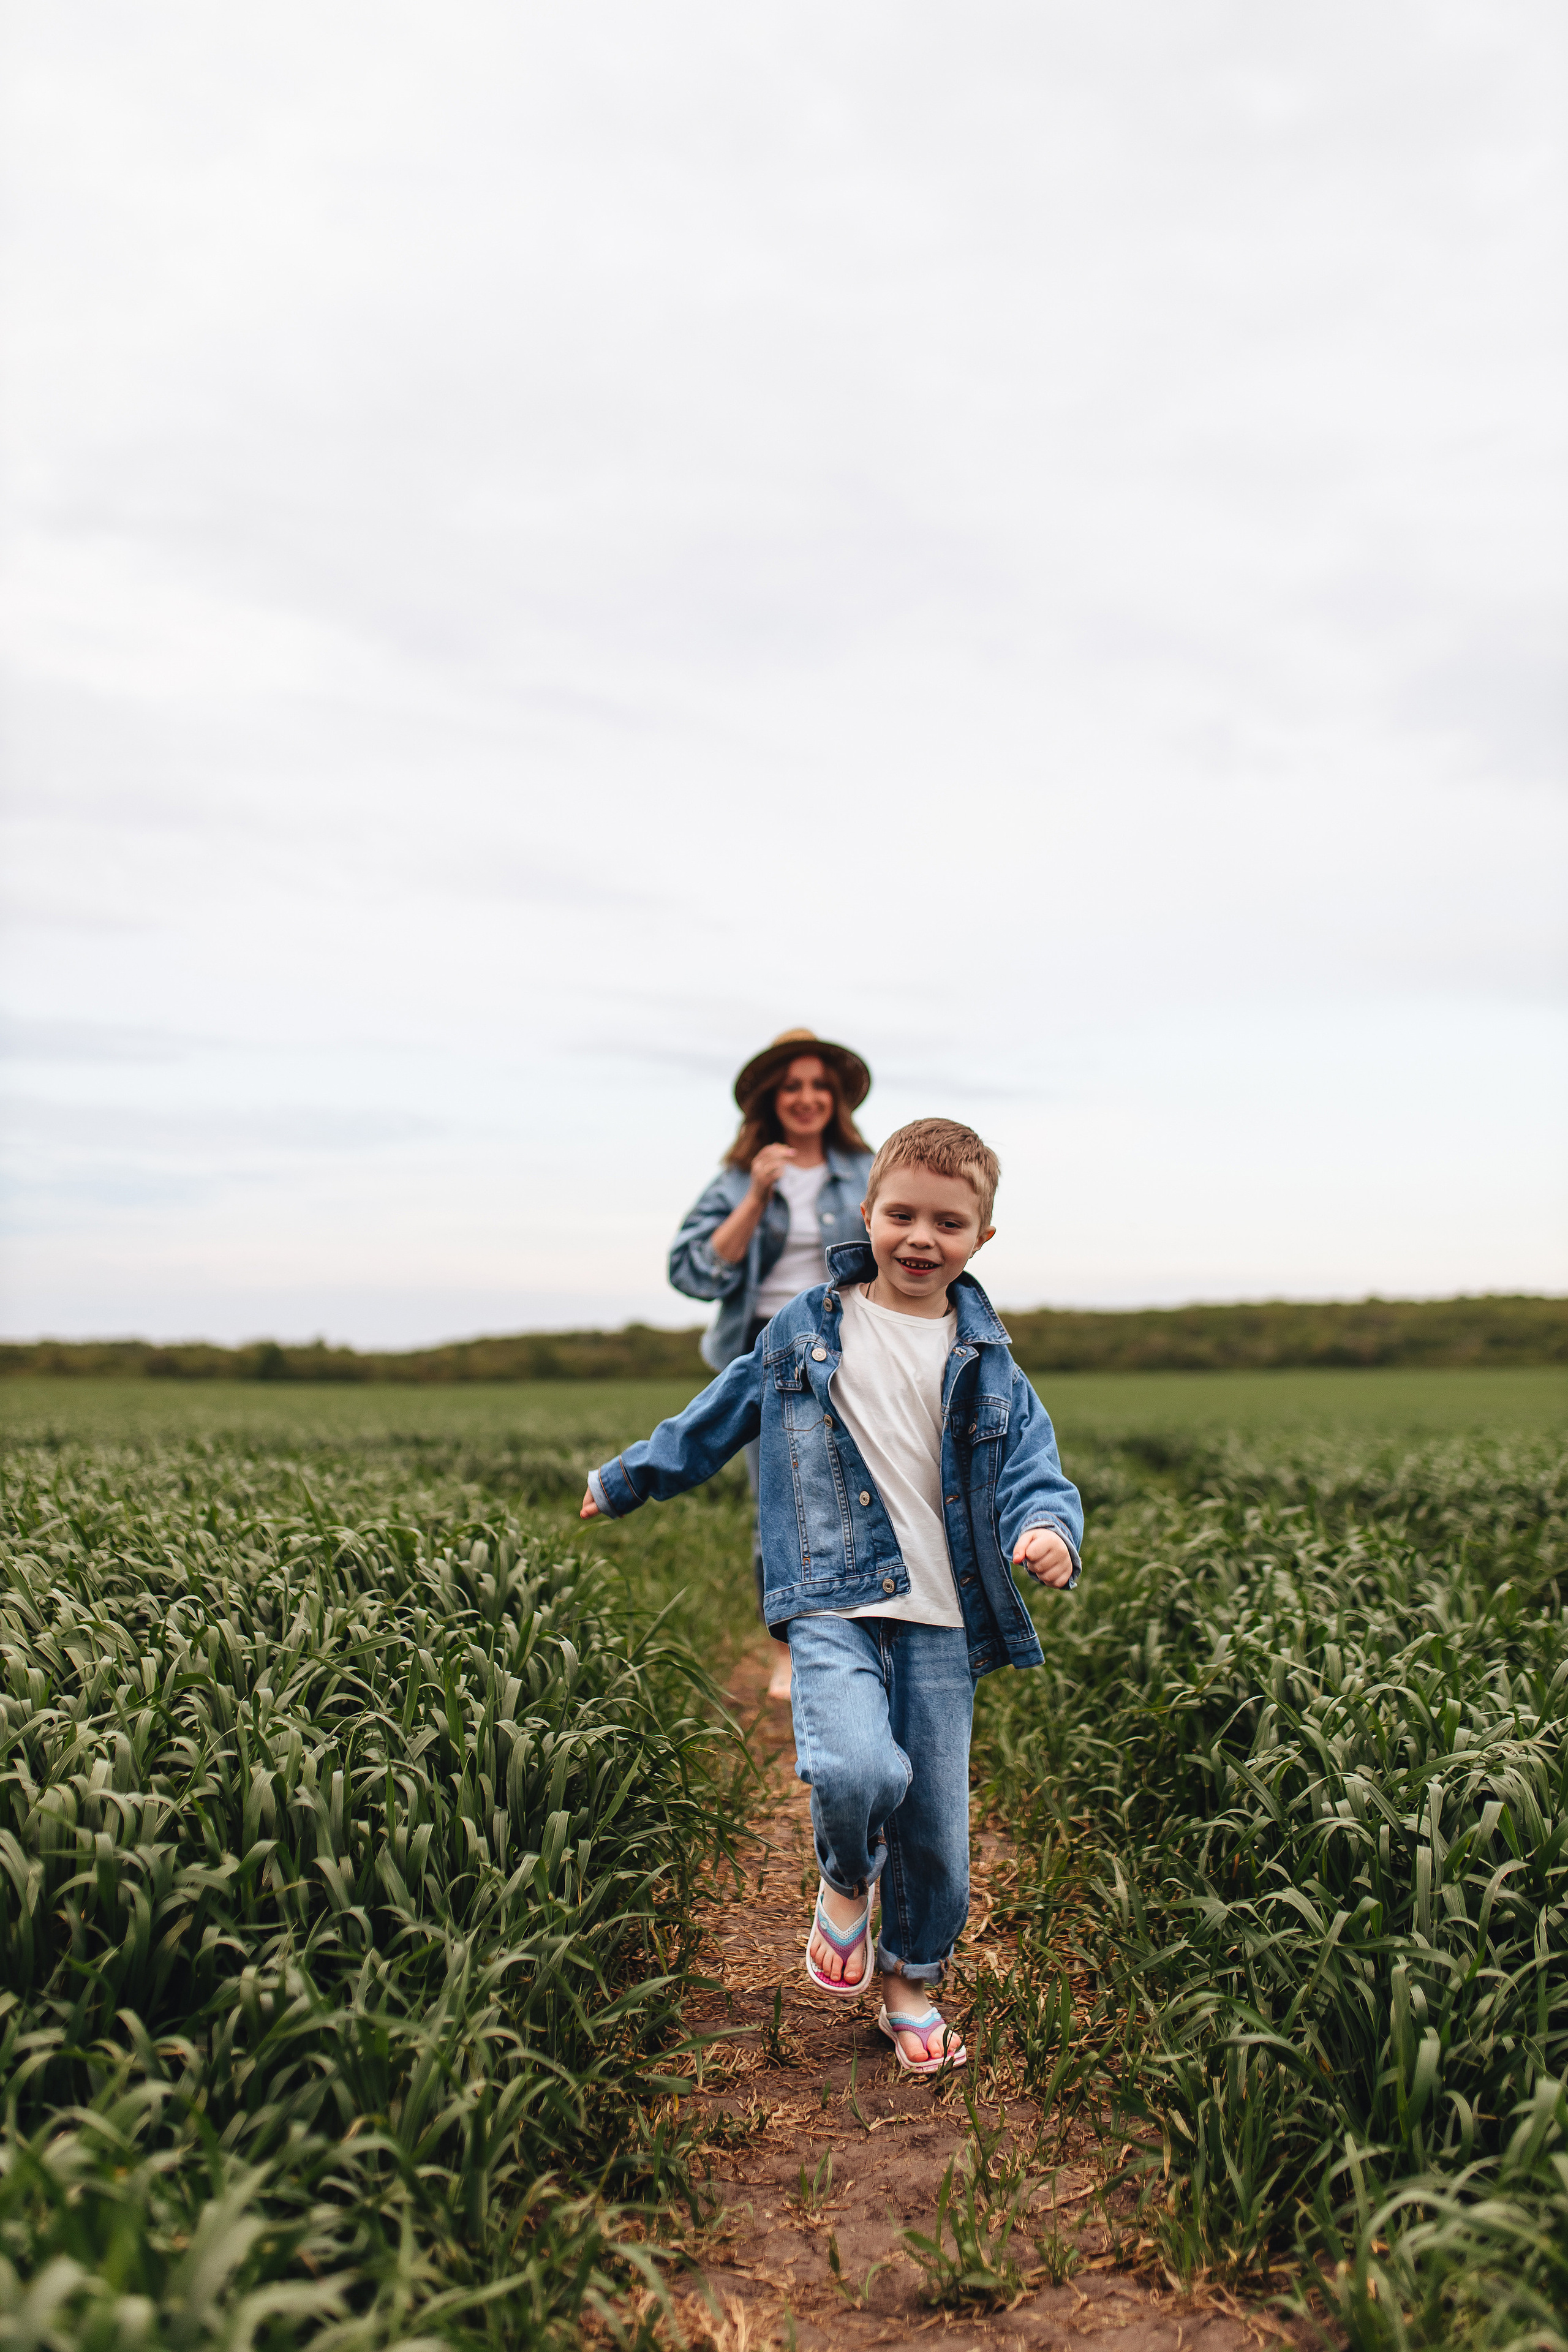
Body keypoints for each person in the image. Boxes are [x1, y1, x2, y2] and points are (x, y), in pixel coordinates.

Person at [582, 1117, 1083, 2074]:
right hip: (830, 1597)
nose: (920, 1239)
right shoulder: (807, 1328)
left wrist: (1050, 1531)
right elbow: (716, 1416)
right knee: (857, 1772)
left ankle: (910, 1982)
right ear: (869, 1213)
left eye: (948, 1222)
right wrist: (628, 1477)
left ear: (982, 1238)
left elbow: (1035, 1470)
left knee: (934, 1819)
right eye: (902, 1214)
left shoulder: (991, 1362)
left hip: (945, 1616)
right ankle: (847, 1878)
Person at [668, 1028, 875, 1700]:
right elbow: (693, 1273)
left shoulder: (867, 1168)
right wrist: (756, 1195)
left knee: (862, 1491)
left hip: (850, 1343)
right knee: (781, 1504)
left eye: (819, 1086)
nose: (807, 1097)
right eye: (792, 1086)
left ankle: (863, 1637)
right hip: (763, 1347)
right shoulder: (735, 1179)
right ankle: (788, 1647)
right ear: (770, 1099)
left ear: (836, 1097)